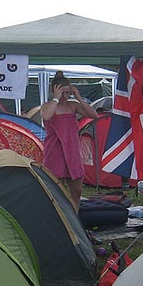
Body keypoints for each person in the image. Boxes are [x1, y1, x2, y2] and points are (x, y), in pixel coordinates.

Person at [40, 71, 97, 210]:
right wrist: (56, 98)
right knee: (56, 188)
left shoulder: (73, 105)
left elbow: (93, 115)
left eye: (67, 93)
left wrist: (78, 97)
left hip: (72, 150)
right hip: (55, 150)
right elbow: (47, 117)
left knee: (77, 190)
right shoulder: (47, 106)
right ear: (54, 91)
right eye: (62, 93)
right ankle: (59, 216)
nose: (65, 96)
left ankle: (75, 215)